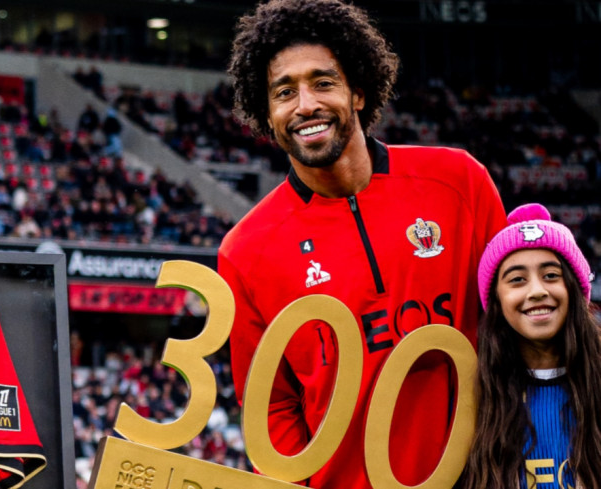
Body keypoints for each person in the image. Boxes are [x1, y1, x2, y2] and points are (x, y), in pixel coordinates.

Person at [218, 0, 507, 487]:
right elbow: (271, 409)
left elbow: (514, 330)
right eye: (284, 92)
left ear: (358, 92)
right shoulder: (245, 251)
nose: (305, 105)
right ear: (267, 114)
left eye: (323, 82)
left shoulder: (459, 182)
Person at [461, 203, 601, 489]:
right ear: (497, 301)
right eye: (517, 280)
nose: (537, 291)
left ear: (574, 289)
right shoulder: (471, 396)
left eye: (551, 275)